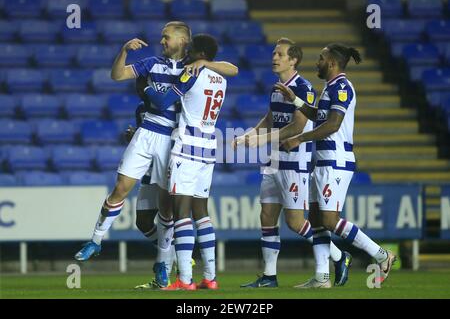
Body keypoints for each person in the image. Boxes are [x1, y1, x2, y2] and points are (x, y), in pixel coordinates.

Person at [74, 21, 238, 289]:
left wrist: (149, 89)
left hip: (172, 141)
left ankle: (163, 264)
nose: (162, 41)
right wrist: (124, 51)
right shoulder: (151, 63)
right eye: (162, 37)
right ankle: (96, 240)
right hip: (147, 132)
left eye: (166, 37)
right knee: (120, 187)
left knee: (166, 209)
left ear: (183, 41)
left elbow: (232, 69)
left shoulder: (192, 67)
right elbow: (116, 75)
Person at [233, 38, 350, 288]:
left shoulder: (304, 87)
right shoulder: (277, 88)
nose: (274, 57)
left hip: (294, 163)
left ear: (293, 60)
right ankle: (269, 276)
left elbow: (297, 126)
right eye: (274, 53)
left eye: (279, 54)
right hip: (273, 161)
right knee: (266, 216)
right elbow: (270, 117)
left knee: (295, 222)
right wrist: (250, 134)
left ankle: (339, 256)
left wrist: (262, 139)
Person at [278, 43, 396, 288]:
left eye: (320, 58)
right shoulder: (330, 86)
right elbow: (319, 117)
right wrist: (296, 101)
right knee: (315, 218)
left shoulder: (342, 87)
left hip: (336, 161)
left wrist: (299, 138)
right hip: (322, 160)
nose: (317, 62)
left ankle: (382, 255)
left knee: (330, 221)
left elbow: (332, 125)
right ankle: (322, 277)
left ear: (331, 62)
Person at [143, 34, 226, 291]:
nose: (187, 53)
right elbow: (230, 68)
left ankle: (185, 280)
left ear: (200, 52)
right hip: (209, 146)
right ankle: (210, 278)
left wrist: (145, 88)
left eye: (191, 50)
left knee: (181, 214)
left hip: (187, 146)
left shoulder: (192, 73)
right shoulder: (221, 78)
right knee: (202, 213)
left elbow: (163, 101)